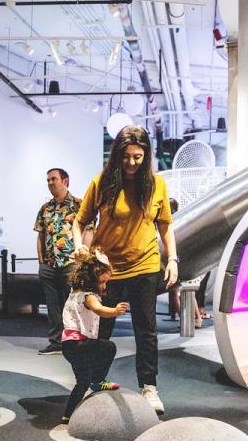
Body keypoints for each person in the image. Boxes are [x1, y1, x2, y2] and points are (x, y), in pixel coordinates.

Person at [72, 125, 177, 414]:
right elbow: (79, 221)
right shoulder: (102, 183)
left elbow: (165, 226)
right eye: (126, 156)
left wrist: (173, 260)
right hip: (106, 269)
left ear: (146, 156)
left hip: (145, 264)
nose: (131, 163)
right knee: (99, 329)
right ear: (117, 154)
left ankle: (149, 386)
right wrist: (79, 245)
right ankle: (94, 382)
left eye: (138, 157)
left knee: (146, 330)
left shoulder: (156, 185)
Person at [60, 247, 128, 424]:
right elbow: (99, 309)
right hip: (79, 344)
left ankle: (67, 415)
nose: (105, 286)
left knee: (82, 381)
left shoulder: (73, 293)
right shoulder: (88, 296)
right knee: (108, 347)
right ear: (91, 281)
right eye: (103, 282)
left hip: (69, 345)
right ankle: (98, 381)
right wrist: (115, 310)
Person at [34, 168, 84, 355]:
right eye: (48, 180)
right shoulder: (45, 209)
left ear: (66, 181)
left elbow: (88, 233)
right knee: (53, 306)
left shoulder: (79, 205)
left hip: (71, 264)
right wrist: (41, 262)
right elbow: (40, 237)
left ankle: (75, 342)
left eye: (54, 179)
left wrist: (82, 263)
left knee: (73, 304)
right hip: (49, 265)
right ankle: (56, 342)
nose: (50, 183)